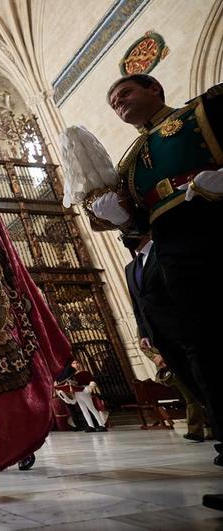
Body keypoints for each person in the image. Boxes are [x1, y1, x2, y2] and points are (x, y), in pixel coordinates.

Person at [89, 75, 223, 508]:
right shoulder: (129, 165)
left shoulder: (201, 112)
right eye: (112, 102)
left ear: (155, 90)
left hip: (215, 228)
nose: (118, 103)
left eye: (125, 93)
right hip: (174, 254)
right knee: (205, 350)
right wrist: (120, 220)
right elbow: (139, 224)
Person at [122, 234, 206, 441]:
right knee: (190, 383)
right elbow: (137, 304)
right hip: (157, 335)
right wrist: (143, 331)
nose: (124, 237)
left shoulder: (164, 250)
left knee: (202, 380)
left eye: (127, 230)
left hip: (181, 328)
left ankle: (211, 429)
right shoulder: (130, 268)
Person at [69, 360, 107, 432]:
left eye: (77, 362)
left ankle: (102, 425)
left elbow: (91, 381)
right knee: (84, 410)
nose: (76, 364)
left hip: (84, 390)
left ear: (80, 364)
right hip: (77, 392)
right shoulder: (72, 375)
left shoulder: (85, 372)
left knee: (91, 408)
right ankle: (90, 426)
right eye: (74, 363)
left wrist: (90, 387)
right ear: (71, 366)